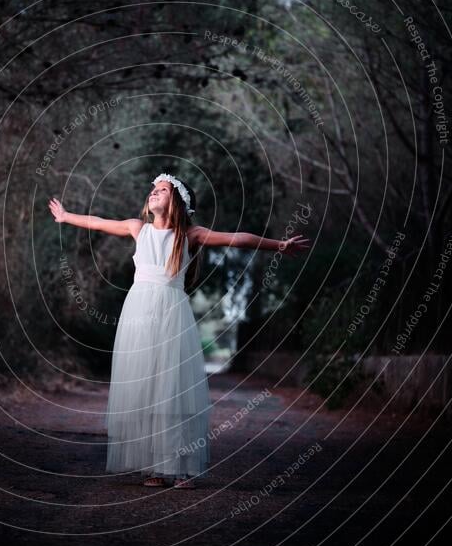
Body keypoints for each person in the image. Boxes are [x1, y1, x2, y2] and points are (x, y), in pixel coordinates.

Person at [48, 173, 310, 490]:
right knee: (145, 389)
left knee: (172, 389)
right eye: (153, 189)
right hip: (139, 315)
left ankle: (181, 466)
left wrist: (278, 245)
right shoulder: (137, 228)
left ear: (177, 202)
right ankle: (154, 466)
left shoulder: (190, 234)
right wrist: (65, 217)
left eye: (162, 190)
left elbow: (237, 238)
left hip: (172, 314)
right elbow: (99, 222)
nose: (154, 193)